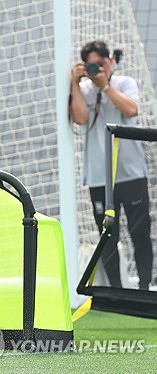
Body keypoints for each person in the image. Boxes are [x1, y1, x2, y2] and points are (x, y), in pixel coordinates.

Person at [70, 40, 154, 290]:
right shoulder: (84, 90)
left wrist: (104, 86)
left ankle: (144, 288)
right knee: (108, 235)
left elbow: (131, 109)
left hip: (131, 173)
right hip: (99, 176)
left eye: (101, 63)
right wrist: (74, 83)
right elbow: (80, 118)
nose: (98, 68)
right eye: (92, 65)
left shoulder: (124, 83)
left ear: (110, 61)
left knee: (139, 233)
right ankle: (115, 292)